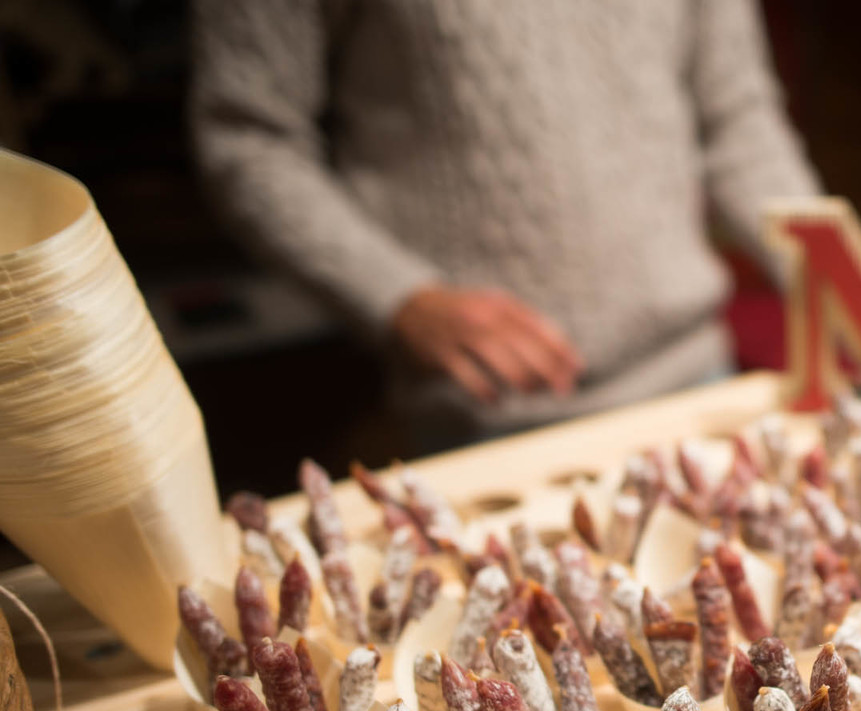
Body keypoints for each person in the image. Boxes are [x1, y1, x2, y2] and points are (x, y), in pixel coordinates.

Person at [190, 1, 818, 435]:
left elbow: (738, 121)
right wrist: (399, 297)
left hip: (700, 381)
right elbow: (247, 137)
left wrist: (844, 283)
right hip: (490, 413)